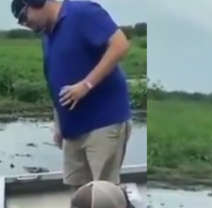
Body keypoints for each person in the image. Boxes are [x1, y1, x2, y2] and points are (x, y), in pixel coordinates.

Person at [11, 0, 132, 189]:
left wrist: (86, 85)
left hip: (104, 121)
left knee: (103, 193)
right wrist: (58, 123)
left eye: (23, 17)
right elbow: (53, 80)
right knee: (79, 193)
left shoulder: (82, 12)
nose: (25, 24)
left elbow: (120, 45)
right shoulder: (47, 36)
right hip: (72, 129)